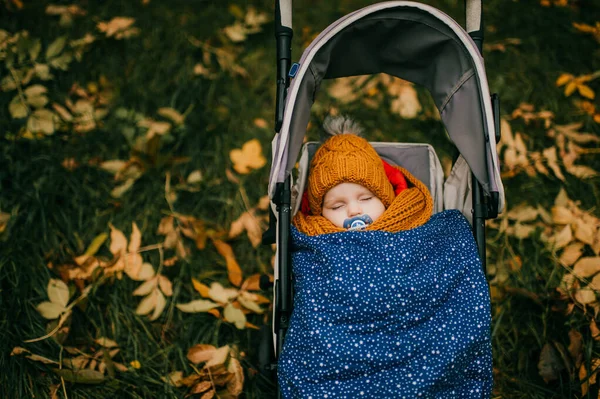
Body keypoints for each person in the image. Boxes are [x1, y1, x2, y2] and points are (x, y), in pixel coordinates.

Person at [292, 115, 433, 235]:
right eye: (337, 206)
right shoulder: (310, 237)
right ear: (320, 214)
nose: (354, 211)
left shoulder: (414, 223)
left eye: (365, 198)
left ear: (387, 202)